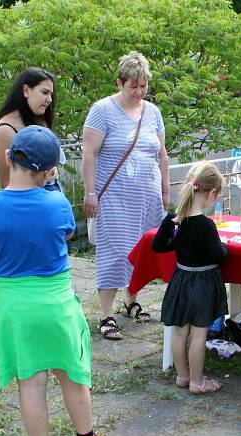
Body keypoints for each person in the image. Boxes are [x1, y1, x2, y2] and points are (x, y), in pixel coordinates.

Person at [0, 125, 100, 436]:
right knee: (73, 376)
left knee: (31, 384)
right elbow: (68, 232)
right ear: (49, 170)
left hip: (16, 310)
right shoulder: (56, 202)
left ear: (9, 158)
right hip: (56, 305)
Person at [82, 51, 170, 340]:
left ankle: (132, 299)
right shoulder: (102, 110)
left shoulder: (153, 112)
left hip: (146, 196)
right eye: (133, 86)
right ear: (120, 83)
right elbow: (89, 154)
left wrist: (165, 190)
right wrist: (90, 193)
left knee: (141, 252)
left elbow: (162, 154)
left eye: (144, 86)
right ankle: (105, 314)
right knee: (115, 252)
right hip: (115, 197)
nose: (139, 91)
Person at [152, 162, 228, 394]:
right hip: (203, 284)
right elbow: (218, 256)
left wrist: (167, 223)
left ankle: (182, 376)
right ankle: (197, 381)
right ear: (212, 193)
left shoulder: (177, 220)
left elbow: (158, 246)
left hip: (181, 281)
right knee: (198, 335)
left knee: (179, 331)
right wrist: (224, 248)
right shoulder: (206, 225)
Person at [0, 67, 61, 190]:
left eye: (51, 94)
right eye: (44, 92)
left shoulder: (39, 120)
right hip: (29, 206)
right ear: (26, 90)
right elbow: (7, 184)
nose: (49, 99)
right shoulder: (5, 131)